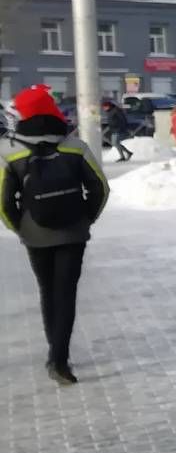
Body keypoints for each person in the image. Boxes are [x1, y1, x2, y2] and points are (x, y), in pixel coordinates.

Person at [2, 85, 110, 385]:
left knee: (47, 291)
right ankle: (58, 359)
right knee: (66, 294)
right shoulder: (75, 147)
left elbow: (4, 200)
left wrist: (19, 226)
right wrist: (86, 218)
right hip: (73, 232)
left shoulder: (9, 151)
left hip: (35, 234)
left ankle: (55, 352)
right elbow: (100, 187)